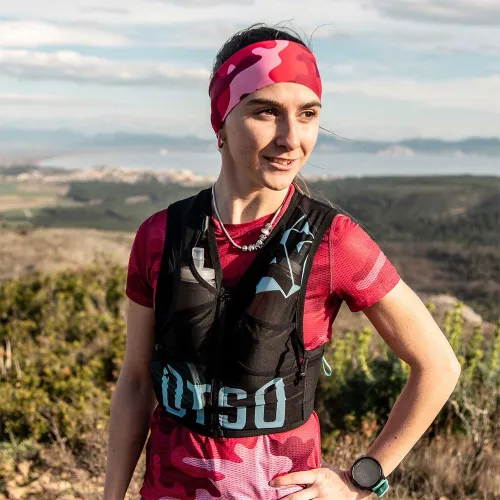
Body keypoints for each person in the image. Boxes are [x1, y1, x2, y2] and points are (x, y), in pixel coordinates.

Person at [104, 23, 462, 500]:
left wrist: (361, 481)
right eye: (266, 111)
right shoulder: (160, 236)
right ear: (221, 119)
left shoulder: (334, 241)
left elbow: (438, 366)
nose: (291, 138)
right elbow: (135, 382)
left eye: (308, 114)